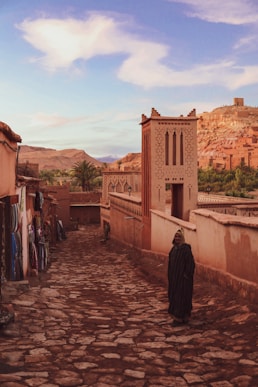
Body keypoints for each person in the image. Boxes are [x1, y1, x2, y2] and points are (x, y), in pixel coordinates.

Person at [168, 228, 195, 326]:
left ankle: (182, 317)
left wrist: (186, 275)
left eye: (179, 236)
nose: (177, 238)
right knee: (175, 296)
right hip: (175, 279)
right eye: (176, 236)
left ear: (182, 238)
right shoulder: (173, 250)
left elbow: (190, 264)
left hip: (183, 280)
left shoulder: (185, 249)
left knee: (183, 297)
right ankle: (178, 317)